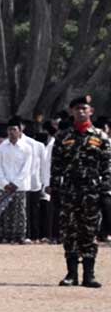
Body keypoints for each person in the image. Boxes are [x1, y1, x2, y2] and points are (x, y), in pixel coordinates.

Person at [50, 95, 109, 287]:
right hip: (69, 192)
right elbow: (56, 166)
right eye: (77, 109)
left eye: (84, 108)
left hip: (92, 192)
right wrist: (56, 190)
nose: (81, 111)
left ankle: (89, 274)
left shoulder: (100, 137)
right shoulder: (63, 137)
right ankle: (71, 273)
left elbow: (107, 166)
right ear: (71, 112)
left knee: (89, 232)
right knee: (70, 232)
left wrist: (105, 190)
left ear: (91, 111)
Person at [0, 117, 33, 244]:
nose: (11, 132)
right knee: (5, 212)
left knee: (19, 212)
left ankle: (19, 236)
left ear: (20, 131)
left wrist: (16, 183)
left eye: (14, 129)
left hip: (19, 186)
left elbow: (26, 168)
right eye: (9, 130)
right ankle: (5, 236)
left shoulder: (26, 148)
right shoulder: (2, 148)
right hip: (5, 186)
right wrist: (5, 183)